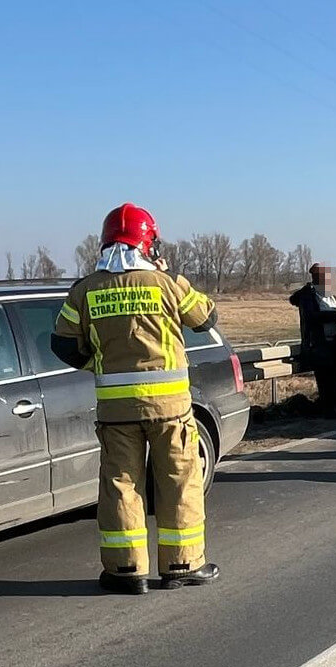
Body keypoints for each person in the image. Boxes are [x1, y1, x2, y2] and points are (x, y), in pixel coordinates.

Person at [51, 203, 220, 595]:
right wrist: (166, 271)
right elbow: (206, 318)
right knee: (179, 482)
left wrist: (97, 362)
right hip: (171, 411)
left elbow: (62, 343)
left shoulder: (86, 289)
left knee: (120, 486)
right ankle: (182, 565)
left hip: (116, 411)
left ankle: (126, 570)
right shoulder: (166, 283)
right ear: (149, 241)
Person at [289, 264, 336, 418]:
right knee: (325, 380)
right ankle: (329, 409)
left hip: (335, 342)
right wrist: (332, 316)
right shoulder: (308, 296)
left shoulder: (329, 295)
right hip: (319, 344)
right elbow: (311, 317)